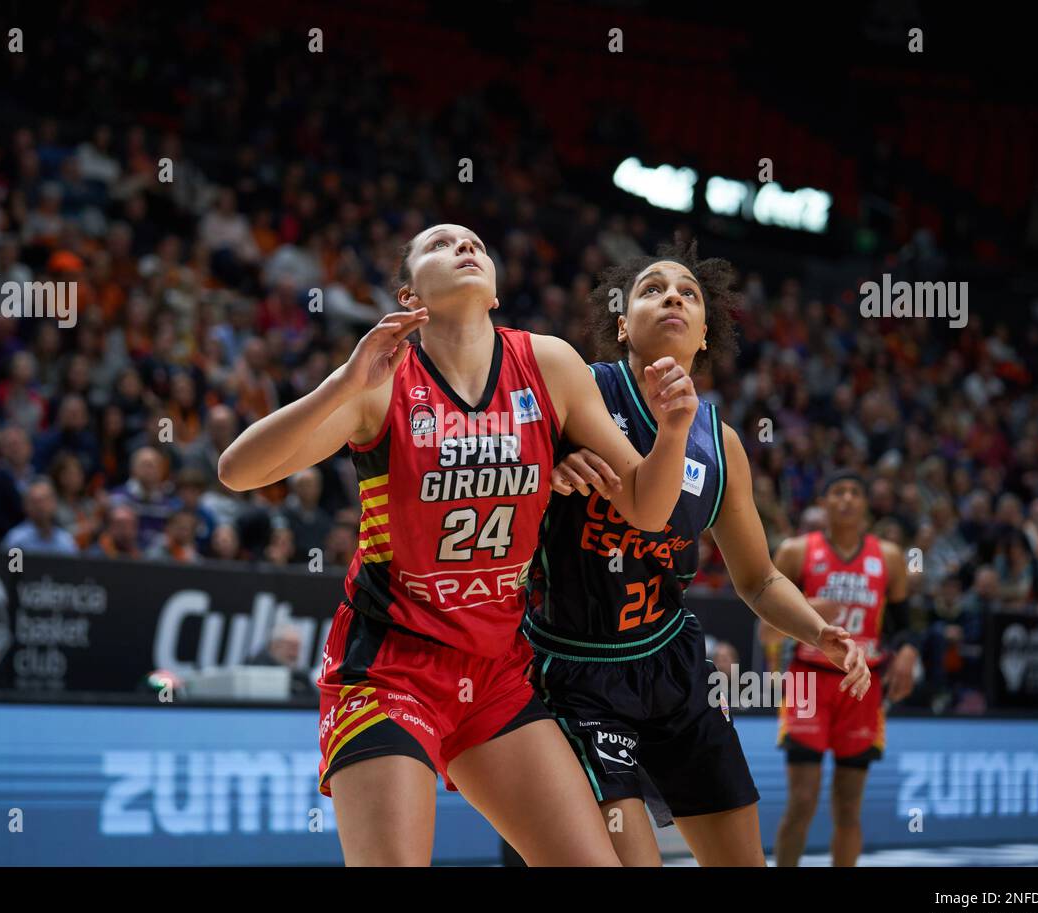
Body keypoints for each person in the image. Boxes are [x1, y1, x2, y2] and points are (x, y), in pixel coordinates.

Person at [219, 224, 699, 866]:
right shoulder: (383, 381)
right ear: (408, 294)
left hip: (496, 668)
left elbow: (645, 507)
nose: (465, 248)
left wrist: (671, 433)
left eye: (475, 243)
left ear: (496, 290)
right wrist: (345, 382)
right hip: (390, 667)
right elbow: (238, 470)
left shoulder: (548, 365)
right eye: (440, 245)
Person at [526, 242, 870, 866]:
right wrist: (549, 463)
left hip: (674, 666)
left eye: (688, 292)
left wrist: (821, 631)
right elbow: (506, 469)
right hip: (576, 671)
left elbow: (760, 580)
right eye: (652, 289)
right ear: (622, 324)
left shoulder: (723, 443)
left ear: (706, 332)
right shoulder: (579, 392)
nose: (673, 297)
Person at [763, 470, 918, 867]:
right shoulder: (796, 551)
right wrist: (809, 609)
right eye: (837, 492)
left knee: (848, 807)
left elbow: (904, 625)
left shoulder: (890, 557)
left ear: (866, 505)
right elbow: (766, 629)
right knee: (802, 800)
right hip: (808, 682)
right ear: (823, 502)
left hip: (863, 683)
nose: (846, 499)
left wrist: (908, 652)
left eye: (854, 493)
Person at [2, 477, 78, 554]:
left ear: (55, 503)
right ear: (25, 505)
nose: (40, 506)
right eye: (35, 501)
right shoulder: (15, 541)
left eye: (45, 500)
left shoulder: (66, 541)